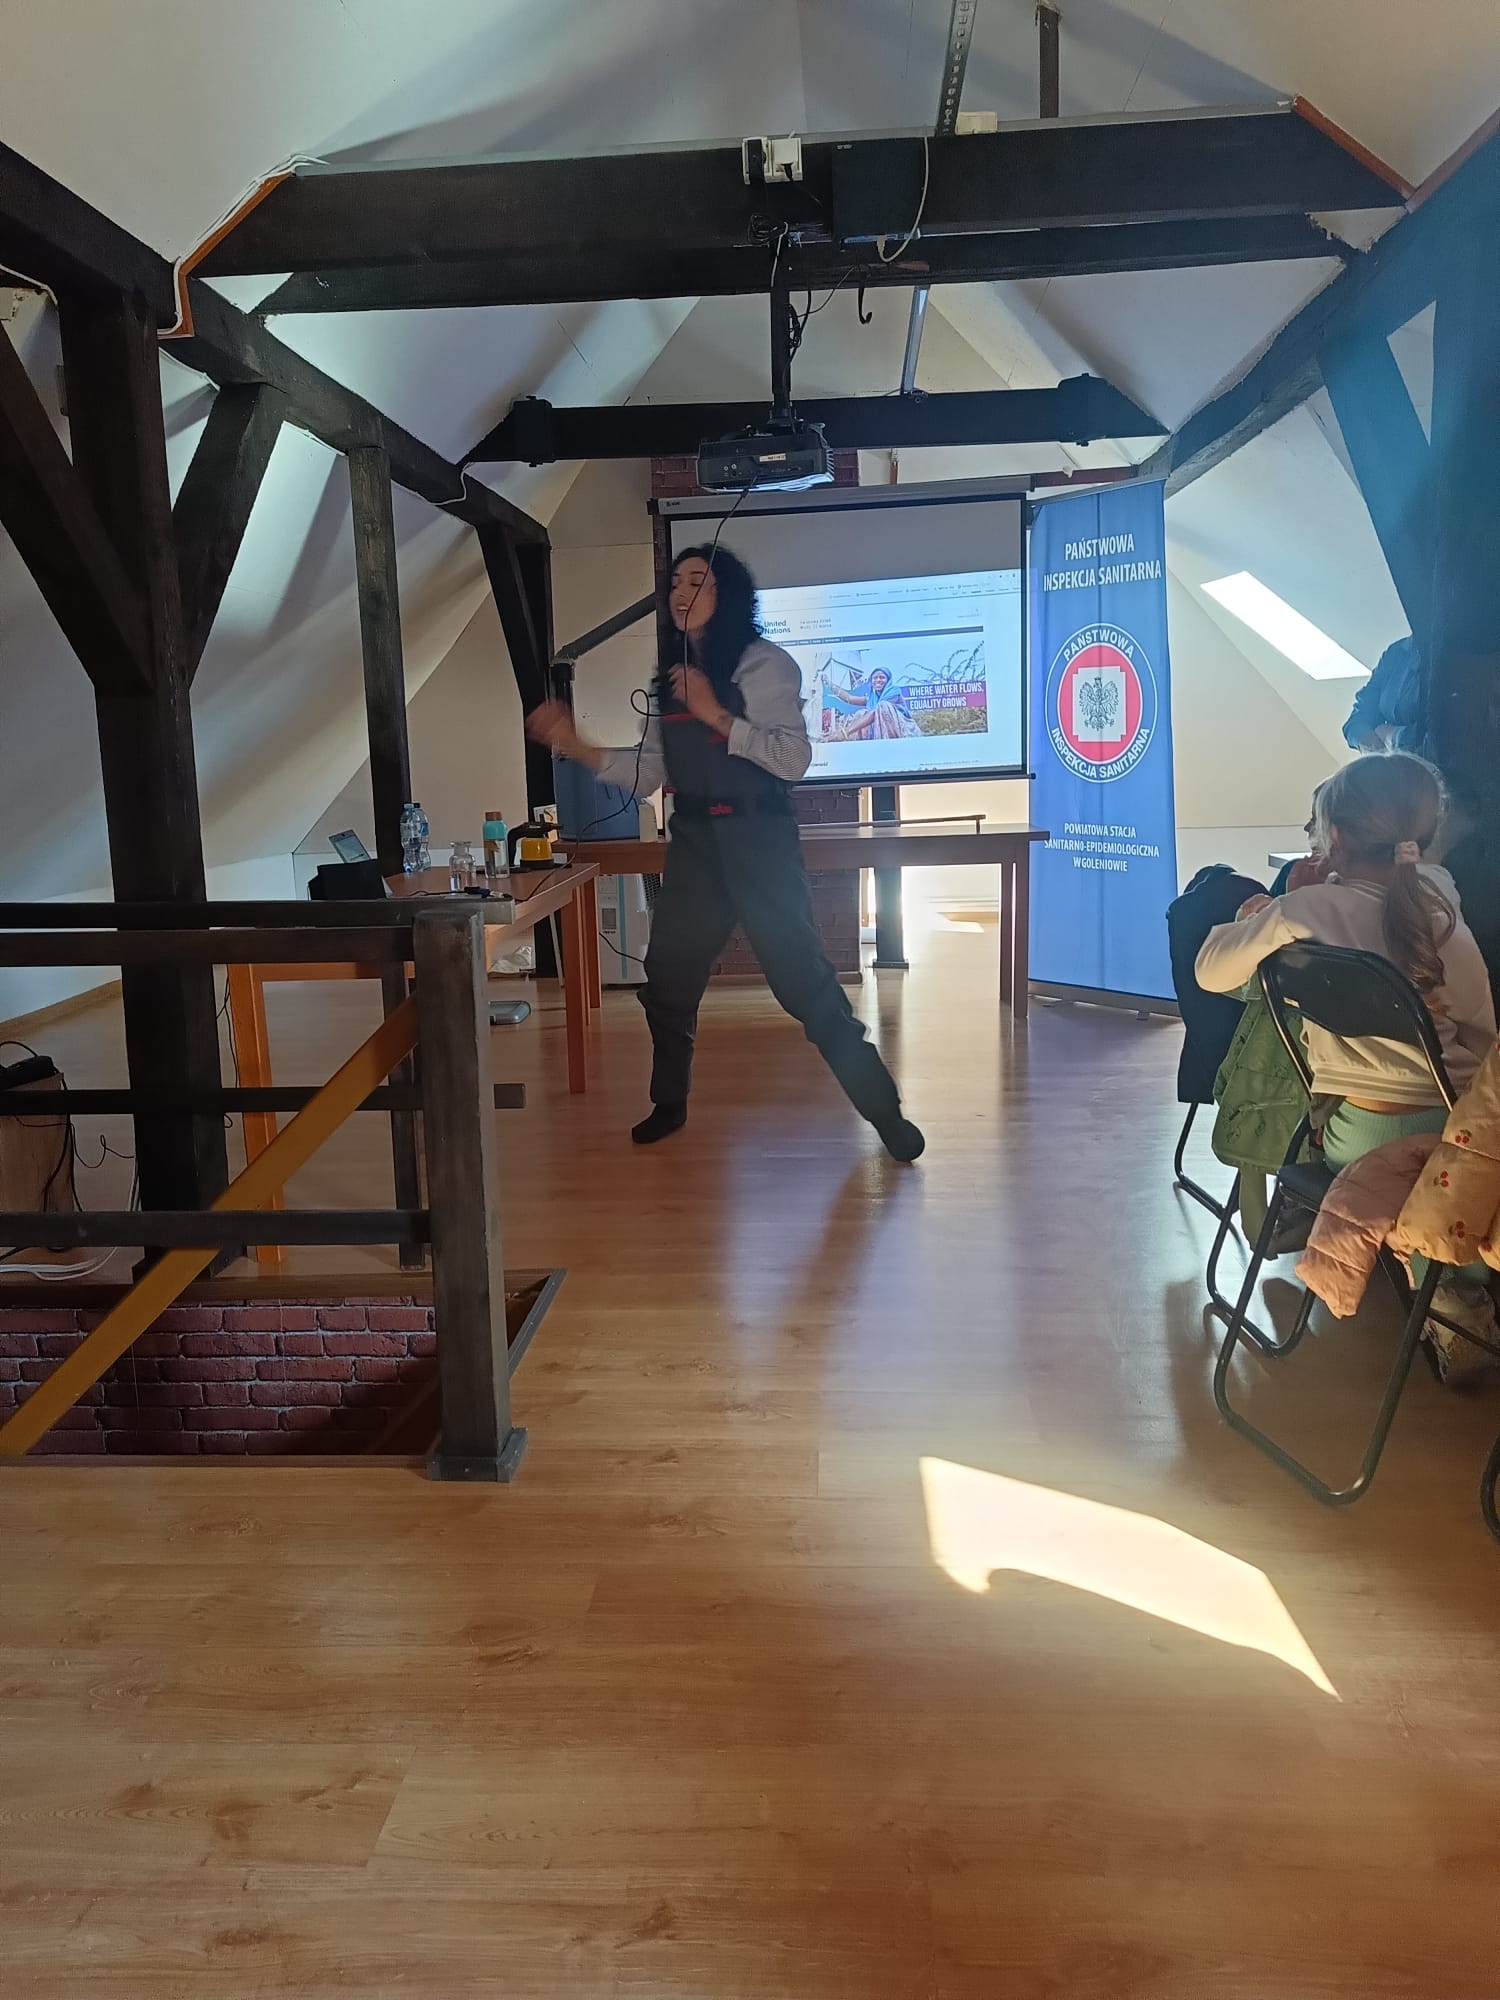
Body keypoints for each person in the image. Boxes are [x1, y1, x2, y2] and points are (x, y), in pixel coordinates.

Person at [526, 544, 925, 1161]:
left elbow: (792, 760)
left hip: (759, 838)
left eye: (697, 581)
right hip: (694, 841)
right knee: (667, 980)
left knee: (805, 986)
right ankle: (669, 1103)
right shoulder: (670, 676)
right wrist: (576, 745)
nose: (680, 592)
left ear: (727, 594)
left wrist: (713, 711)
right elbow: (651, 772)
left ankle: (885, 1113)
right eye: (675, 583)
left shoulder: (764, 664)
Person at [1196, 752, 1498, 1377]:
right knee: (1459, 1160)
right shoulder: (1445, 919)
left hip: (1350, 1139)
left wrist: (1262, 915)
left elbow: (1211, 972)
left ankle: (1436, 1287)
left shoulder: (1307, 911)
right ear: (1426, 834)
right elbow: (1482, 1032)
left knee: (1377, 1150)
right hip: (1454, 1137)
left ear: (1333, 836)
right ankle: (1453, 1290)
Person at [1342, 635, 1421, 752]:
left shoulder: (1448, 655)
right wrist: (1373, 744)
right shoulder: (1397, 652)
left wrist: (1391, 736)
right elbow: (1356, 722)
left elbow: (1440, 738)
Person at [835, 667, 920, 741]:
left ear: (888, 680)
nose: (878, 680)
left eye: (882, 677)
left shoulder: (894, 691)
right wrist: (831, 686)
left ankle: (890, 743)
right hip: (879, 732)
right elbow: (850, 699)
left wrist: (845, 732)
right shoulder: (872, 698)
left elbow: (875, 712)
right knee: (861, 714)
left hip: (904, 730)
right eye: (875, 678)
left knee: (882, 706)